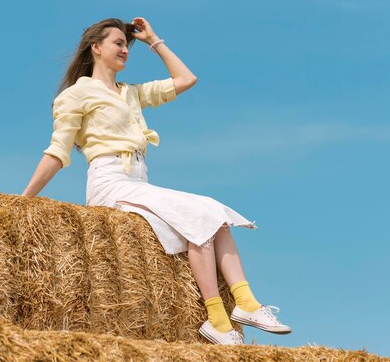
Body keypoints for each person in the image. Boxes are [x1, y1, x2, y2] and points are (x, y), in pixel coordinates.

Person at [22, 17, 291, 345]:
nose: (124, 49)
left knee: (214, 213)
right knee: (198, 218)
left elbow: (186, 78)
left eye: (126, 45)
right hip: (111, 183)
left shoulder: (130, 93)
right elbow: (57, 153)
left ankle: (245, 305)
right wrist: (24, 200)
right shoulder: (76, 95)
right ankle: (217, 318)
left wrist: (153, 40)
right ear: (96, 48)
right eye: (118, 43)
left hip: (140, 182)